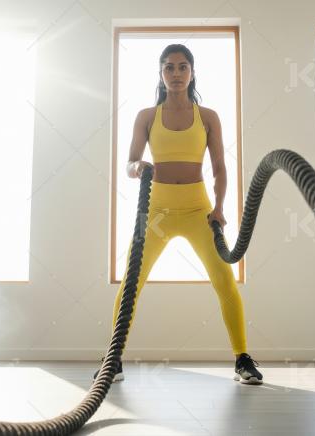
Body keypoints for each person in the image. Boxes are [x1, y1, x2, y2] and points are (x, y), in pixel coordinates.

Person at [94, 43, 263, 385]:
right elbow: (128, 164)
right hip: (156, 211)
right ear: (160, 73)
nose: (175, 73)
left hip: (198, 209)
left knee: (224, 281)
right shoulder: (146, 116)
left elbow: (219, 167)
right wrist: (136, 165)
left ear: (192, 72)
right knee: (131, 283)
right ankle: (114, 360)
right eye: (169, 67)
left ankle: (242, 359)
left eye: (182, 67)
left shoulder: (208, 117)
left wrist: (218, 207)